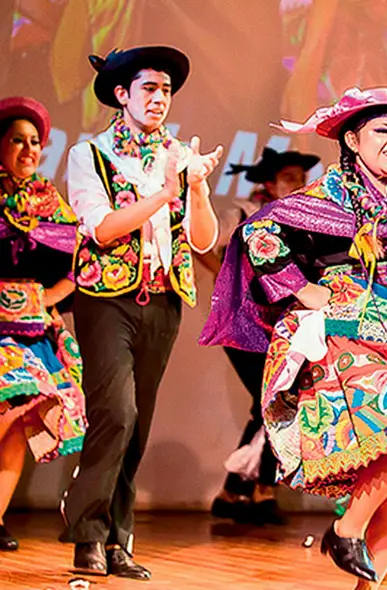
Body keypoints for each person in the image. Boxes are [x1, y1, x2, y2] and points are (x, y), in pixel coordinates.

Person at [199, 87, 387, 587]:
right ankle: (346, 527)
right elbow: (258, 235)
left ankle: (363, 575)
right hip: (348, 332)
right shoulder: (329, 194)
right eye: (382, 130)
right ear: (353, 138)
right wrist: (305, 290)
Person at [59, 46, 223, 580]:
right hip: (105, 300)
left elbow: (203, 240)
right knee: (117, 412)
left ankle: (119, 538)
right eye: (148, 89)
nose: (158, 99)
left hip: (163, 300)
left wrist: (195, 188)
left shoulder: (178, 155)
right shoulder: (90, 155)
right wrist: (164, 193)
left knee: (139, 423)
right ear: (123, 95)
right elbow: (103, 228)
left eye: (166, 91)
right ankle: (88, 531)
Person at [204, 147, 320, 526]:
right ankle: (260, 490)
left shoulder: (303, 220)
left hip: (283, 326)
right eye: (289, 178)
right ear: (269, 183)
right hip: (244, 324)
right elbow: (205, 247)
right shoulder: (243, 212)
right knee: (273, 399)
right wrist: (228, 283)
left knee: (275, 401)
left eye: (301, 179)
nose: (298, 185)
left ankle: (237, 490)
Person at [0, 96, 87, 552]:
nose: (28, 149)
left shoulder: (48, 201)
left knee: (17, 422)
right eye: (17, 140)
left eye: (35, 142)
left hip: (33, 329)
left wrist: (49, 296)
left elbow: (81, 259)